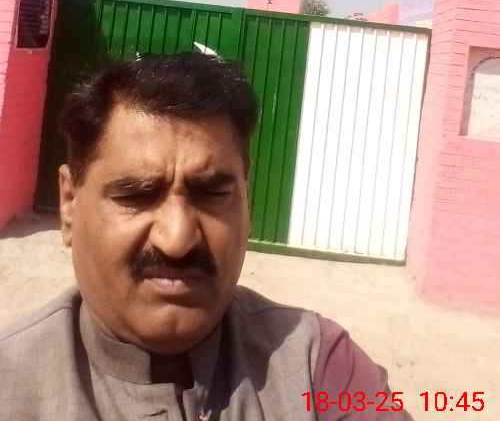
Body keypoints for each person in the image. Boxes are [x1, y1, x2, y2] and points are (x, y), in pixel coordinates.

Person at [0, 52, 413, 420]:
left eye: (212, 194)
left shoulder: (317, 366)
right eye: (137, 195)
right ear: (69, 204)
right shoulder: (11, 383)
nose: (177, 239)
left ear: (247, 201)